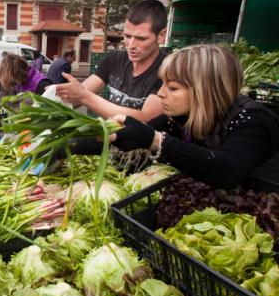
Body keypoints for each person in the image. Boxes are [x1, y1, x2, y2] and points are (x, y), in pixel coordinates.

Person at [110, 44, 279, 189]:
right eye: (162, 84)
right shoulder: (180, 117)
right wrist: (100, 135)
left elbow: (229, 170)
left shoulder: (253, 120)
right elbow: (136, 134)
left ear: (205, 92)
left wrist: (156, 141)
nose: (160, 93)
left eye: (173, 88)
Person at [56, 0, 168, 121]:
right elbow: (79, 95)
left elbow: (145, 119)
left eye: (141, 39)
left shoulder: (169, 70)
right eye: (127, 36)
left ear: (161, 36)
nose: (131, 45)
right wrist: (52, 98)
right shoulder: (115, 59)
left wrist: (84, 96)